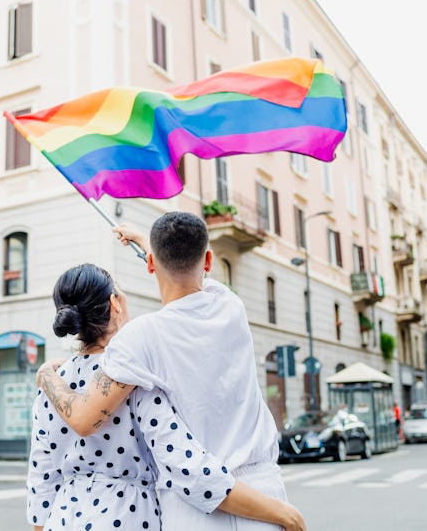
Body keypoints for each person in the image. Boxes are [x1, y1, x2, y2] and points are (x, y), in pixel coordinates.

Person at [37, 212, 300, 530]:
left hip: (194, 508)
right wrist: (148, 243)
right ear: (208, 261)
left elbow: (82, 419)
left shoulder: (139, 339)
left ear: (149, 264)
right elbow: (188, 275)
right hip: (262, 493)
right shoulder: (230, 305)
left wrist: (46, 375)